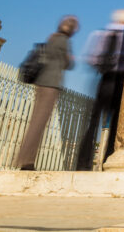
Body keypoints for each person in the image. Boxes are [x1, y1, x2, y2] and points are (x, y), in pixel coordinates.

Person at [15, 15, 78, 170]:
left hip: (42, 82)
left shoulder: (52, 38)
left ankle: (26, 160)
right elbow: (69, 64)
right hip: (51, 85)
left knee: (37, 122)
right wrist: (70, 58)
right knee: (39, 123)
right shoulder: (64, 41)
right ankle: (25, 161)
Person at [76, 9, 124, 171]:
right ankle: (107, 161)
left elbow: (90, 57)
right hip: (116, 81)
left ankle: (83, 163)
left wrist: (101, 64)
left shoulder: (99, 34)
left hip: (105, 79)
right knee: (114, 124)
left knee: (94, 122)